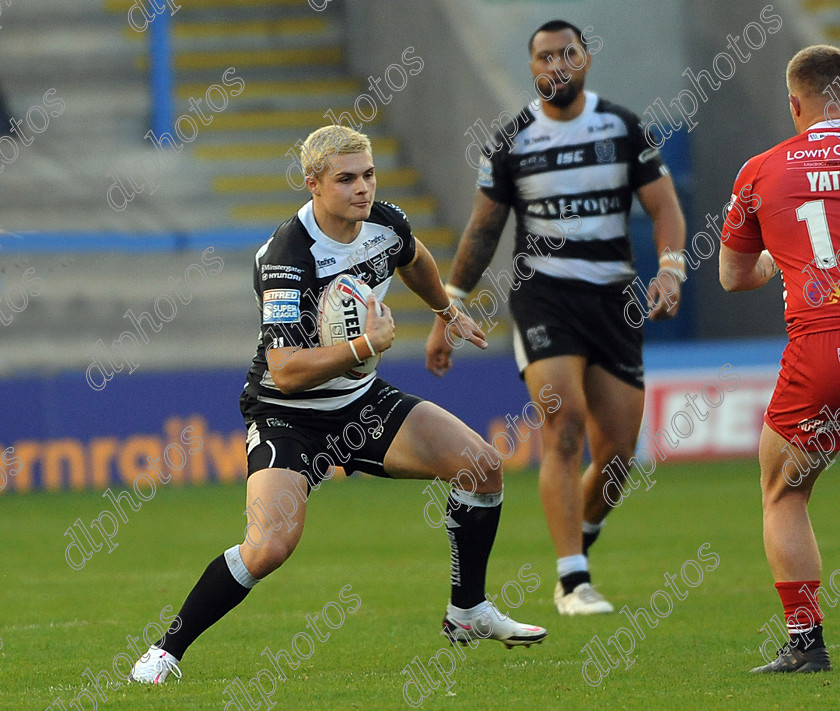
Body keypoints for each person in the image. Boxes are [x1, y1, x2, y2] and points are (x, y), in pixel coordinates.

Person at [128, 125, 547, 683]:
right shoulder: (287, 256)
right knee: (270, 546)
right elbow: (285, 369)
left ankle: (466, 612)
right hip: (287, 412)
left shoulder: (384, 222)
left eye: (368, 175)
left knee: (483, 467)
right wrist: (364, 345)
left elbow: (415, 256)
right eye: (346, 179)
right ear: (313, 184)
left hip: (359, 402)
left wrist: (446, 310)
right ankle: (164, 651)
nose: (362, 188)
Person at [426, 20, 686, 616]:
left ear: (586, 59)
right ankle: (572, 580)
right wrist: (450, 307)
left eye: (567, 53)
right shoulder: (513, 137)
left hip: (614, 301)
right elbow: (484, 228)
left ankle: (582, 538)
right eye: (544, 57)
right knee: (563, 428)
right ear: (533, 68)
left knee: (618, 454)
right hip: (544, 298)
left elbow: (664, 205)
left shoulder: (621, 126)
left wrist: (671, 267)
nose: (556, 65)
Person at [719, 44, 840, 674]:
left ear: (796, 104)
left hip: (822, 345)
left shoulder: (763, 170)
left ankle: (806, 645)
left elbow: (735, 276)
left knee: (785, 493)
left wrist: (779, 260)